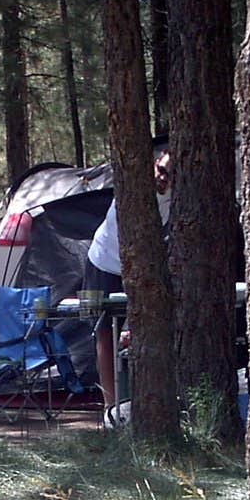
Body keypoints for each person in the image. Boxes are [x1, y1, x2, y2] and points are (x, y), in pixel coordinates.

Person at [85, 135, 172, 420]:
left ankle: (147, 401)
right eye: (161, 169)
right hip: (102, 262)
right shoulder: (133, 184)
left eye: (170, 175)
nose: (163, 178)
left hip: (140, 268)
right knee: (103, 334)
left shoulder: (178, 196)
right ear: (153, 164)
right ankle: (110, 408)